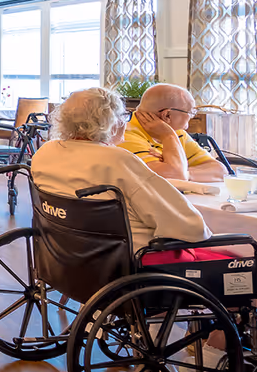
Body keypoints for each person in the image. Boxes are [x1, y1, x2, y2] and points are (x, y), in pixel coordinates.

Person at [31, 87, 243, 259]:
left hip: (69, 253)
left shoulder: (44, 152)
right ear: (110, 122)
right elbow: (190, 228)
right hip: (135, 258)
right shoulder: (117, 159)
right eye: (122, 116)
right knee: (254, 263)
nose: (126, 121)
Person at [118, 83, 227, 183]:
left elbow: (220, 171)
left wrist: (184, 172)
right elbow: (173, 177)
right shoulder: (125, 135)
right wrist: (168, 137)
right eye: (191, 112)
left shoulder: (177, 132)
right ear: (167, 115)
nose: (193, 117)